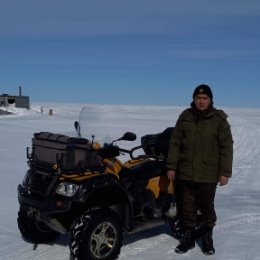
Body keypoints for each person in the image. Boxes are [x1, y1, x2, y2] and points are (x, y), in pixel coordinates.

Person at [165, 84, 233, 255]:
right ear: (194, 99)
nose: (201, 101)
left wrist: (225, 173)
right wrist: (171, 166)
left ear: (210, 100)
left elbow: (226, 147)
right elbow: (175, 143)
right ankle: (188, 239)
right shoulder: (185, 116)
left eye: (205, 98)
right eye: (198, 98)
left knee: (206, 207)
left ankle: (207, 238)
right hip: (186, 172)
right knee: (187, 207)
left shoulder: (218, 120)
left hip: (208, 174)